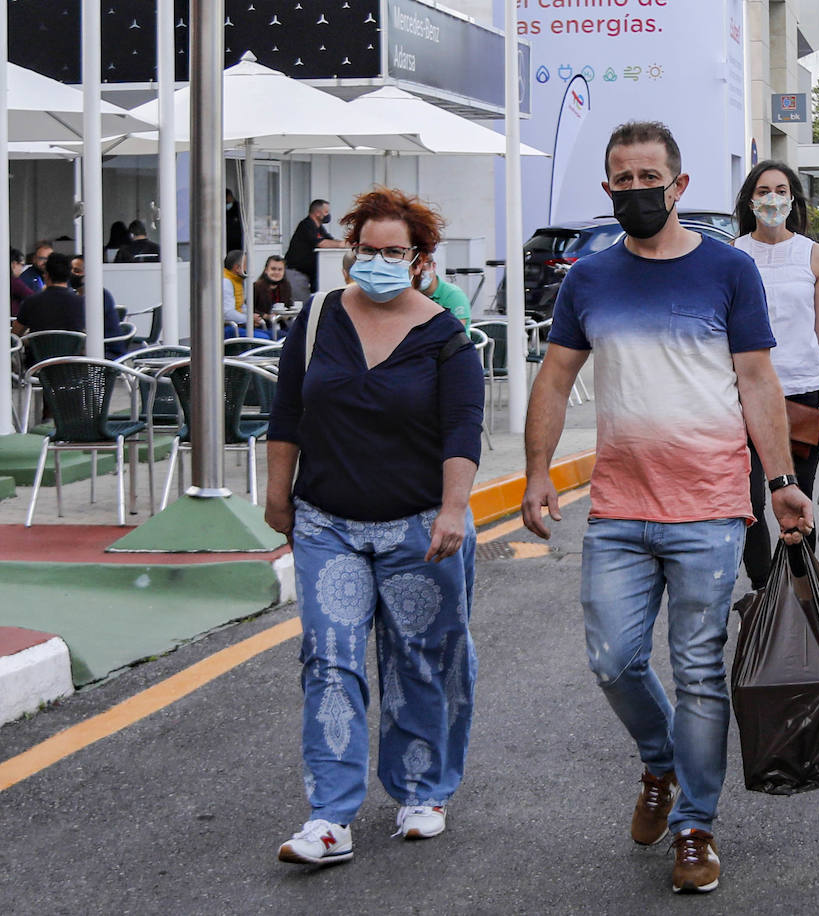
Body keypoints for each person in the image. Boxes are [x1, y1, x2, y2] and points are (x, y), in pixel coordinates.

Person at [520, 121, 812, 895]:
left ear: (678, 187)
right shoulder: (589, 278)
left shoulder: (727, 270)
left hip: (710, 505)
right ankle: (661, 764)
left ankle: (695, 826)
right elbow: (553, 379)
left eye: (650, 176)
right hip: (618, 504)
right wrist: (536, 470)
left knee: (697, 671)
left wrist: (780, 479)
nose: (636, 188)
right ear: (608, 188)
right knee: (613, 659)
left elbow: (756, 379)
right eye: (623, 177)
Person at [265, 187, 485, 867]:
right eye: (370, 250)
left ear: (420, 260)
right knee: (329, 662)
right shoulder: (319, 316)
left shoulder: (446, 336)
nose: (381, 262)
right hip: (328, 521)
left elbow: (462, 429)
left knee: (420, 659)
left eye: (397, 252)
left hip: (418, 526)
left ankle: (422, 793)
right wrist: (279, 496)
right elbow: (287, 411)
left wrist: (453, 509)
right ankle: (329, 816)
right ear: (350, 251)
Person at [731, 160, 819, 587]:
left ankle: (799, 592)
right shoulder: (735, 255)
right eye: (764, 190)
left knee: (796, 500)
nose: (773, 199)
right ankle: (762, 591)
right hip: (746, 397)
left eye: (781, 190)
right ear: (751, 200)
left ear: (793, 199)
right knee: (749, 501)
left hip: (805, 396)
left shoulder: (814, 254)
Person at [14, 251, 84, 337]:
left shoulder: (31, 302)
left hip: (39, 349)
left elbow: (16, 333)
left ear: (46, 275)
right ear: (69, 275)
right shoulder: (81, 303)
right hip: (72, 350)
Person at [285, 199, 346, 297]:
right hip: (296, 272)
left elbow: (330, 240)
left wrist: (345, 243)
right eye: (326, 212)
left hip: (311, 273)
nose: (328, 215)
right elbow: (321, 243)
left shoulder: (318, 227)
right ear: (317, 213)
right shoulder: (306, 225)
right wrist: (342, 244)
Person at [70, 255, 126, 358]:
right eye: (70, 270)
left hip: (107, 352)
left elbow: (83, 325)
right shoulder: (76, 295)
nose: (72, 274)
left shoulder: (99, 296)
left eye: (77, 271)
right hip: (89, 349)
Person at [222, 250, 270, 339]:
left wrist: (252, 316)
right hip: (228, 327)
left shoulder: (237, 280)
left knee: (276, 334)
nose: (249, 268)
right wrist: (248, 319)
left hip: (238, 324)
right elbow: (228, 313)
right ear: (237, 268)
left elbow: (241, 306)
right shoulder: (226, 282)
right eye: (247, 265)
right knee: (264, 338)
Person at [417, 255, 471, 330]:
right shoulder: (411, 294)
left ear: (433, 266)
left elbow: (456, 332)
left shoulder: (453, 295)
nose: (419, 274)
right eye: (414, 269)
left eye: (423, 269)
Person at [0, 248, 34, 318]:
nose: (22, 269)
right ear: (14, 264)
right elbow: (32, 297)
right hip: (4, 323)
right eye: (22, 265)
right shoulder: (12, 281)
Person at [252, 254, 293, 335]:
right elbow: (249, 308)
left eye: (280, 269)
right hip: (262, 326)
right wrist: (266, 316)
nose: (276, 272)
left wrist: (287, 314)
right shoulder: (257, 286)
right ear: (266, 270)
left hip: (281, 325)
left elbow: (289, 305)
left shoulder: (286, 286)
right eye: (273, 269)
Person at [226, 189, 245, 253]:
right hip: (227, 241)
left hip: (237, 240)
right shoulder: (223, 208)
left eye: (229, 196)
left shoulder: (239, 207)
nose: (228, 198)